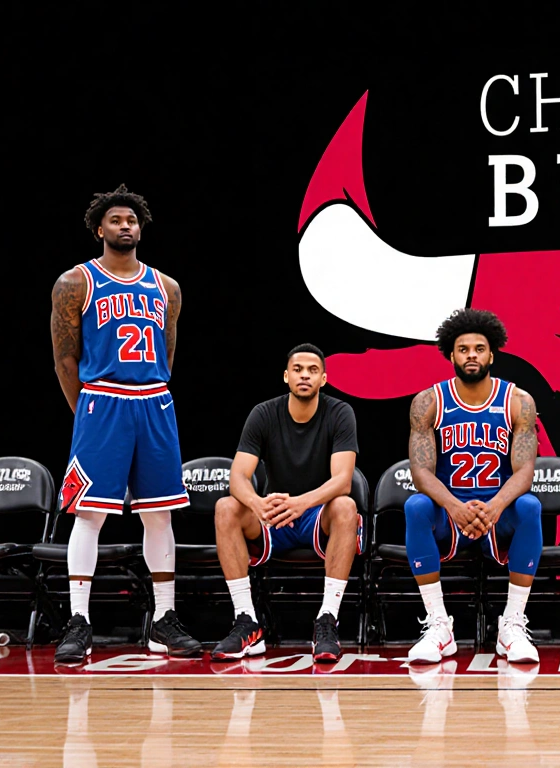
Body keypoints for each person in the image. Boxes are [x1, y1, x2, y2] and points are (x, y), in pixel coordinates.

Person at [50, 184, 200, 663]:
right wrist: (88, 413)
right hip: (103, 401)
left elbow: (169, 354)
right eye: (116, 220)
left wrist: (145, 394)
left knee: (160, 513)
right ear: (100, 228)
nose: (125, 225)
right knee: (89, 514)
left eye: (132, 220)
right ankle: (79, 622)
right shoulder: (75, 282)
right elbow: (64, 360)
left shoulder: (167, 288)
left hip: (154, 402)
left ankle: (164, 620)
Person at [404, 309, 543, 665]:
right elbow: (421, 473)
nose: (471, 355)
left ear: (491, 354)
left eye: (479, 349)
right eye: (462, 349)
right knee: (415, 506)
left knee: (530, 506)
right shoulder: (429, 401)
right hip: (450, 512)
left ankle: (511, 625)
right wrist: (454, 506)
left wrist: (495, 506)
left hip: (498, 512)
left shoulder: (518, 401)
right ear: (450, 355)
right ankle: (439, 626)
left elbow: (524, 472)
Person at [212, 344, 362, 662]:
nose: (304, 375)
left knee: (346, 506)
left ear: (323, 378)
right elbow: (238, 475)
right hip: (273, 515)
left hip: (316, 516)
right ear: (286, 376)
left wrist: (300, 503)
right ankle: (246, 621)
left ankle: (327, 620)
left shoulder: (340, 413)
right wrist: (255, 503)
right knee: (226, 506)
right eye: (297, 370)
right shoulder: (264, 413)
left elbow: (342, 481)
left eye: (312, 370)